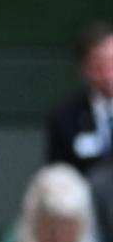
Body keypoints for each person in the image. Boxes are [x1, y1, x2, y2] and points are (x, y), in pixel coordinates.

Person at [44, 22, 113, 177]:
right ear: (85, 68)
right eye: (100, 64)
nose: (109, 73)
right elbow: (58, 180)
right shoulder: (64, 118)